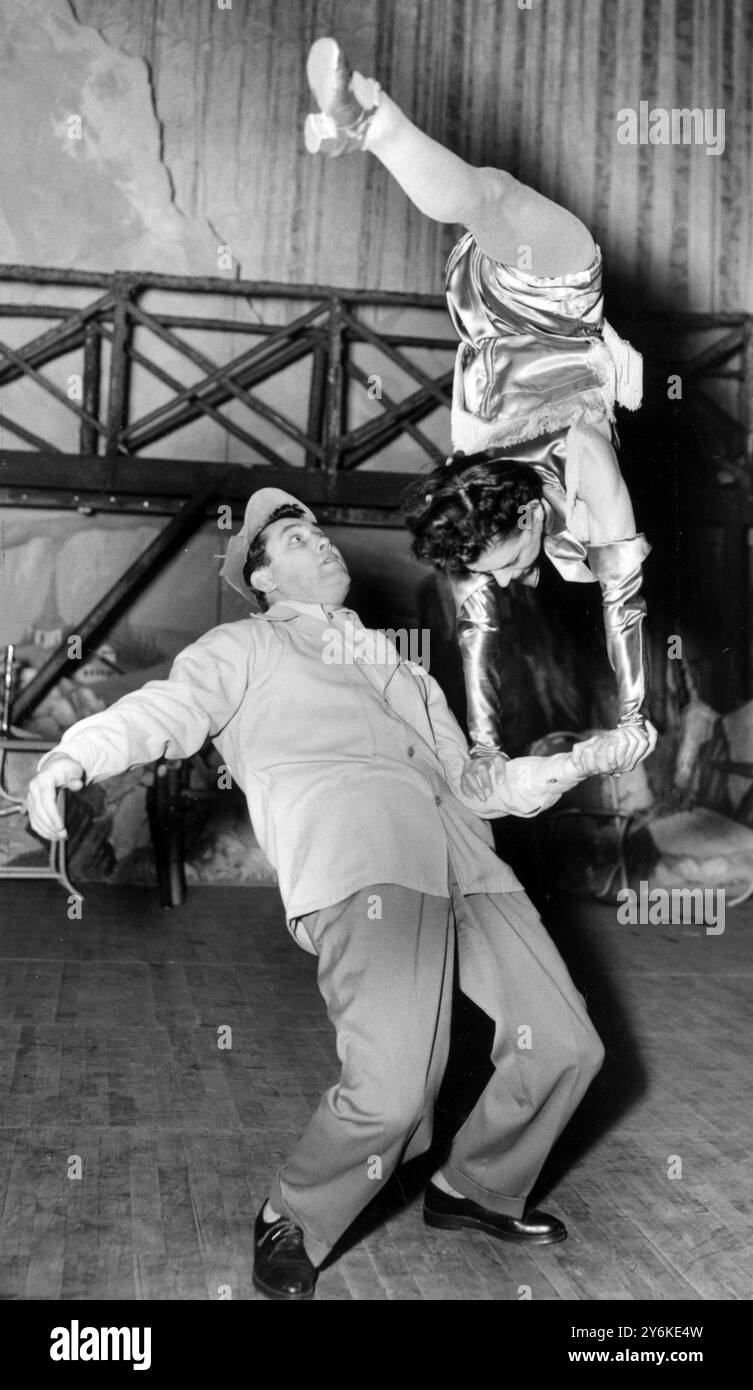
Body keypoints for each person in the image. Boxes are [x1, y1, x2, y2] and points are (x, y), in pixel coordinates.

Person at [27, 487, 642, 1301]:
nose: (319, 543)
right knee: (393, 1097)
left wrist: (572, 763)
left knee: (564, 1045)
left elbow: (474, 784)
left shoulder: (403, 666)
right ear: (263, 578)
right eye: (292, 538)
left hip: (467, 861)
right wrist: (73, 756)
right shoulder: (241, 646)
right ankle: (292, 1213)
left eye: (318, 529)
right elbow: (165, 711)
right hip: (364, 862)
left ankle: (476, 1188)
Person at [304, 37, 656, 787]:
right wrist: (492, 750)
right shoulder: (504, 518)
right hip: (507, 317)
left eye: (514, 566)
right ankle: (364, 123)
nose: (518, 581)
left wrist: (626, 722)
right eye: (514, 569)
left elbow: (608, 605)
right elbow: (484, 633)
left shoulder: (559, 479)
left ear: (528, 518)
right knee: (481, 195)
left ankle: (368, 125)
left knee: (487, 196)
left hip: (535, 309)